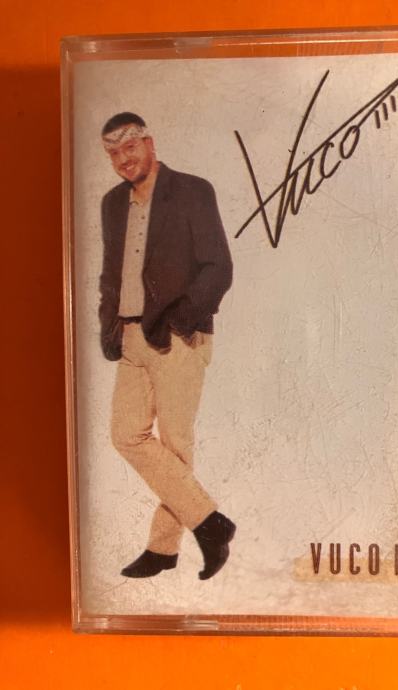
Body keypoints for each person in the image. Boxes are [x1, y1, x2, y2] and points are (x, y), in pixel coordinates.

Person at [98, 112, 235, 580]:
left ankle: (162, 549)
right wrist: (109, 326)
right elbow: (110, 273)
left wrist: (180, 321)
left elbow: (218, 267)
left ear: (149, 143)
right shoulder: (112, 203)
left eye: (130, 147)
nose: (123, 159)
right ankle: (210, 522)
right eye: (113, 153)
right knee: (126, 434)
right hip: (130, 336)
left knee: (175, 446)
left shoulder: (192, 190)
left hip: (178, 336)